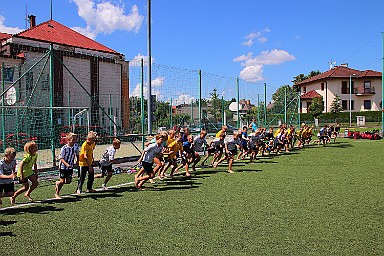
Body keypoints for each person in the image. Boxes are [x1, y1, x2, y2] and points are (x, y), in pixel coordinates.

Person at [55, 132, 79, 199]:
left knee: (68, 181)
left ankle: (58, 183)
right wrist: (67, 164)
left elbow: (77, 154)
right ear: (68, 140)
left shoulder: (76, 146)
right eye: (73, 139)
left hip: (70, 166)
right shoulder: (64, 148)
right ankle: (57, 194)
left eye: (75, 139)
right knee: (62, 181)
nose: (74, 140)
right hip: (63, 166)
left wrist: (77, 161)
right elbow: (61, 158)